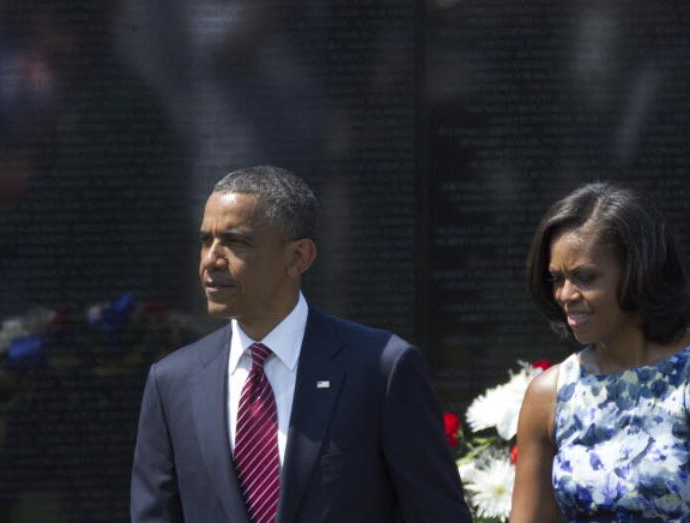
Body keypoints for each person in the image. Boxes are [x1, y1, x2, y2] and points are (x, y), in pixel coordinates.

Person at [131, 166, 471, 522]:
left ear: (298, 257)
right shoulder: (172, 381)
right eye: (206, 240)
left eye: (236, 241)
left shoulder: (381, 368)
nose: (211, 260)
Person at [511, 182, 690, 522]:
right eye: (556, 279)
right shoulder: (549, 394)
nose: (565, 294)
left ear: (638, 271)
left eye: (585, 277)